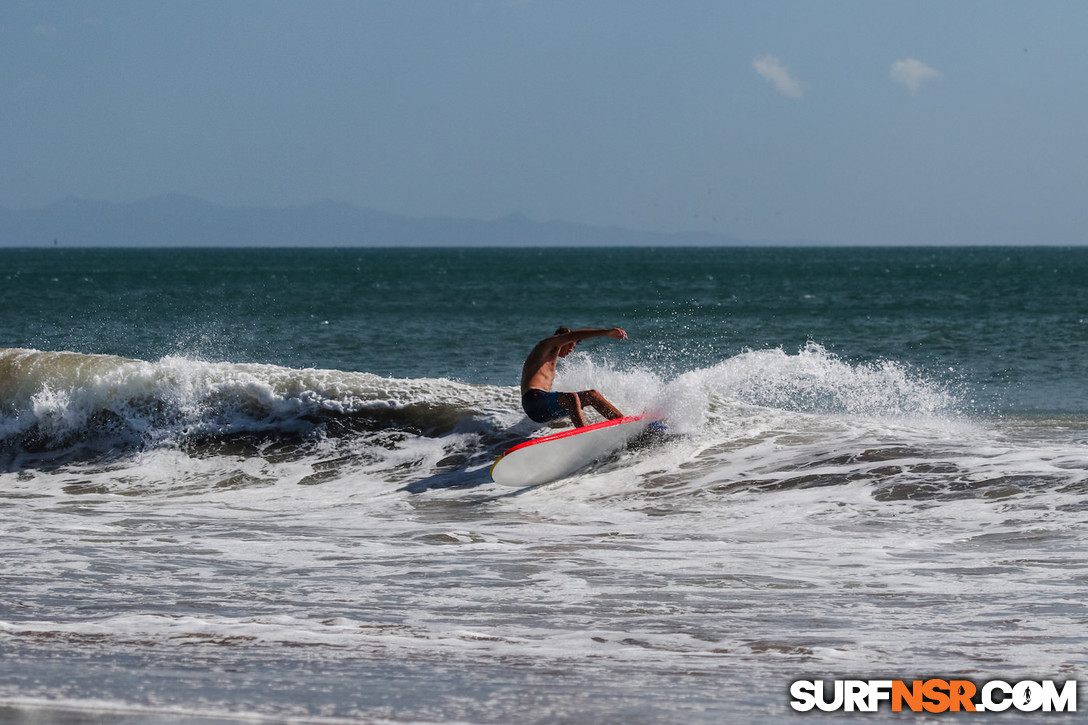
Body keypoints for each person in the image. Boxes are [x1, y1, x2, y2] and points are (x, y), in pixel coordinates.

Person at [520, 327, 627, 428]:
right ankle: (583, 435)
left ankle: (624, 424)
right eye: (570, 344)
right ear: (559, 338)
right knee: (571, 397)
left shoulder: (549, 360)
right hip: (533, 401)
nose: (571, 350)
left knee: (591, 395)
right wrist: (606, 332)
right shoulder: (544, 345)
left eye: (573, 347)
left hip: (545, 412)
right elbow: (571, 336)